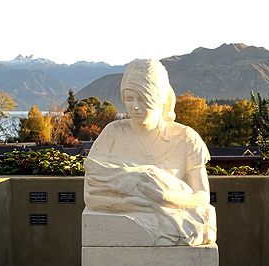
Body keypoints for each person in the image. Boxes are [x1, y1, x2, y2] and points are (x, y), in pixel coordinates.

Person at [84, 59, 216, 246]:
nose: (135, 106)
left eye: (143, 99)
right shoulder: (112, 134)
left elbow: (202, 197)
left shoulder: (187, 139)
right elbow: (90, 197)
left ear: (160, 99)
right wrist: (126, 204)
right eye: (129, 99)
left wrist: (166, 198)